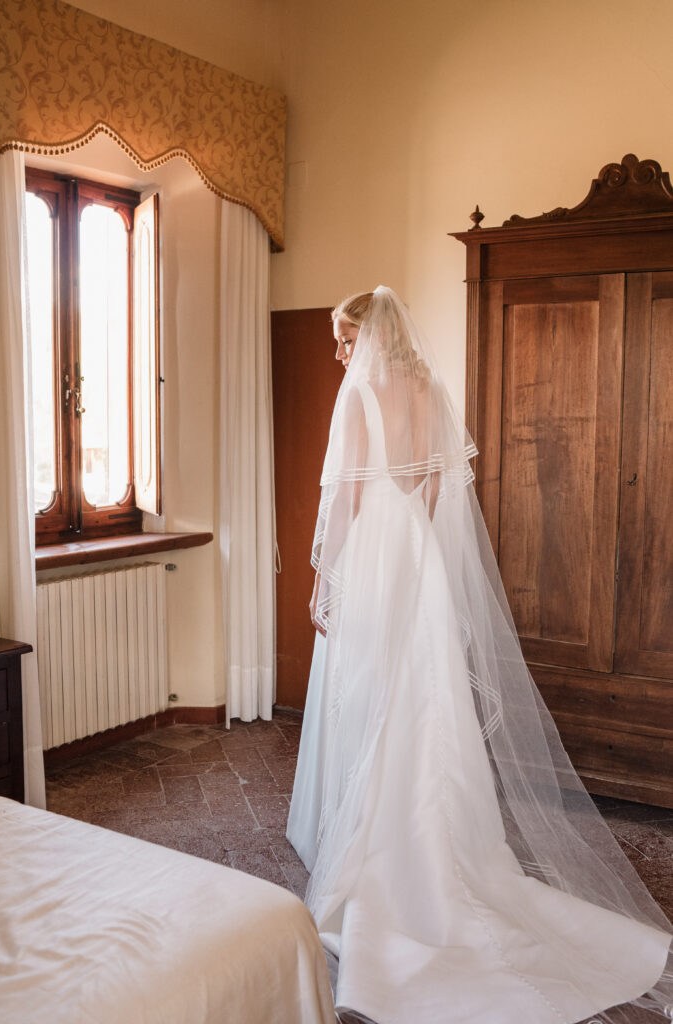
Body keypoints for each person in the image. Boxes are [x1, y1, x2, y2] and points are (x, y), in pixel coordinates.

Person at [286, 286, 673, 1024]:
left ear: (370, 337)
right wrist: (416, 547)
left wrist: (323, 582)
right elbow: (437, 490)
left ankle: (372, 845)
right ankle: (444, 844)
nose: (338, 353)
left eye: (344, 339)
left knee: (369, 693)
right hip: (419, 554)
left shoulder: (357, 394)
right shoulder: (430, 389)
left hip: (374, 556)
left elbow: (344, 500)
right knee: (427, 695)